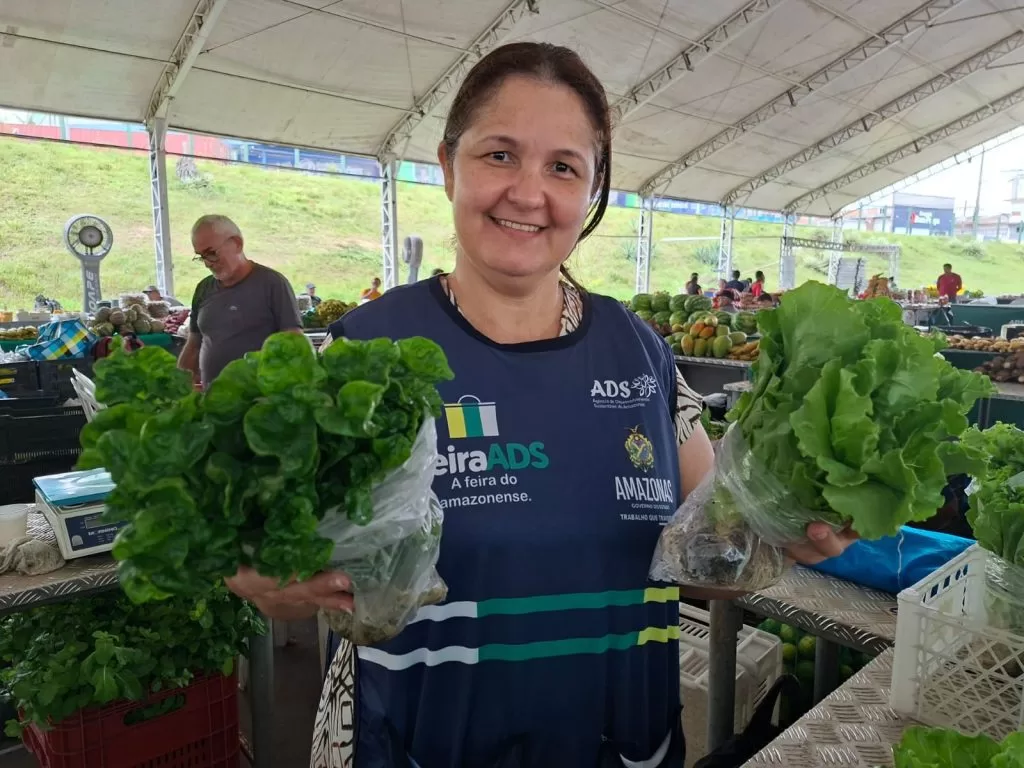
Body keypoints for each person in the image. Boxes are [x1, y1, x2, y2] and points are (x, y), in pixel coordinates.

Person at [223, 43, 853, 768]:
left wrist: (779, 534)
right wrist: (263, 575)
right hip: (410, 741)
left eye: (562, 167)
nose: (528, 193)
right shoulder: (360, 357)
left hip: (620, 745)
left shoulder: (641, 356)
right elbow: (273, 557)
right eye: (500, 155)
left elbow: (703, 561)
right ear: (448, 165)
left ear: (592, 189)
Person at [177, 214, 302, 389]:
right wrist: (180, 384)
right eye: (201, 256)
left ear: (237, 243)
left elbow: (294, 342)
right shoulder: (203, 289)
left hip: (259, 398)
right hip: (213, 399)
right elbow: (194, 344)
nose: (207, 263)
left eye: (211, 253)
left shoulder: (273, 284)